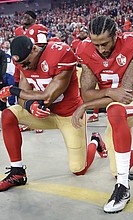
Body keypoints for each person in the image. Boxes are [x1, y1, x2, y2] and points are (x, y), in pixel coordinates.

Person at [0, 35, 107, 192]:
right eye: (22, 64)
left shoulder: (60, 53)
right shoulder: (23, 62)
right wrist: (30, 106)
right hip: (44, 114)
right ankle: (17, 172)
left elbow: (48, 96)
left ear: (35, 49)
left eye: (27, 63)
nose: (26, 67)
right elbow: (23, 97)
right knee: (9, 115)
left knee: (78, 169)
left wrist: (13, 90)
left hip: (69, 115)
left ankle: (95, 141)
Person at [72, 15, 133, 213]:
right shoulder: (85, 49)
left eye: (105, 44)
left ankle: (123, 187)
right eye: (96, 44)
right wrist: (108, 91)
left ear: (116, 35)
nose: (100, 50)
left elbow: (125, 96)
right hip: (113, 108)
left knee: (116, 109)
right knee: (115, 169)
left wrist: (85, 106)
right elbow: (86, 93)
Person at [14, 10, 49, 133]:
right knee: (23, 92)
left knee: (36, 90)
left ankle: (38, 123)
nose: (25, 18)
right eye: (24, 16)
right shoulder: (18, 30)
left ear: (34, 19)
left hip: (34, 64)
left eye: (28, 16)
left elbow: (43, 45)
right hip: (20, 65)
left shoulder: (39, 29)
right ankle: (28, 122)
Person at [3, 40, 16, 106]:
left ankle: (11, 104)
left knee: (11, 89)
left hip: (11, 73)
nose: (7, 44)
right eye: (6, 43)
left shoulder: (12, 52)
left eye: (8, 43)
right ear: (3, 45)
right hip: (3, 73)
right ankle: (3, 105)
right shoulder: (2, 53)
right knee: (2, 89)